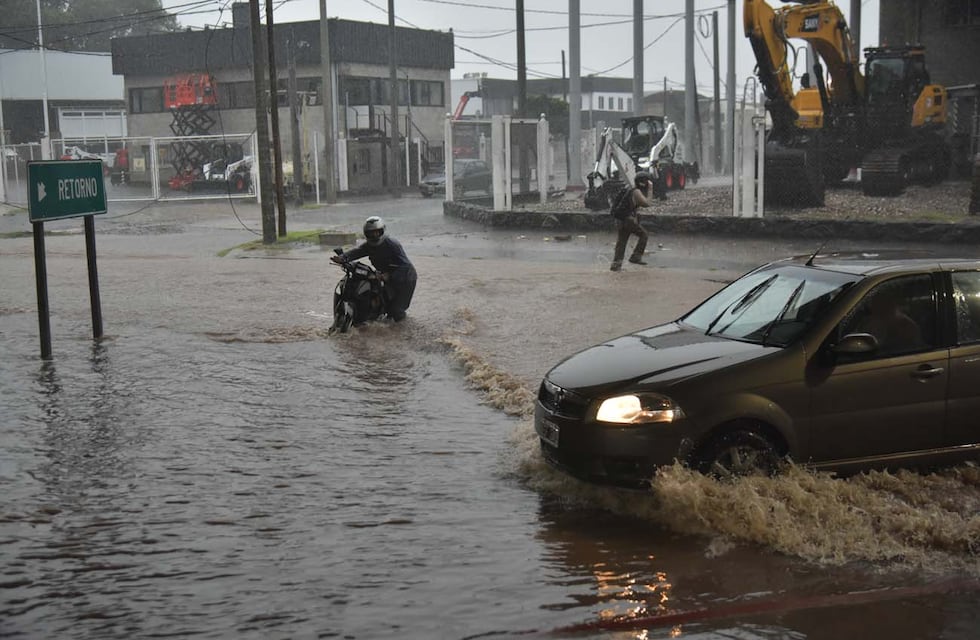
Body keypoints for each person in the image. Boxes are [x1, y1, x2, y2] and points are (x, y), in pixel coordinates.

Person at [331, 216, 417, 322]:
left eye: (377, 232)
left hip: (405, 278)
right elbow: (357, 252)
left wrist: (388, 276)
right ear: (366, 234)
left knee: (396, 311)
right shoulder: (369, 246)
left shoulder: (392, 244)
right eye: (371, 233)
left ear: (382, 231)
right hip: (384, 275)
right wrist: (343, 258)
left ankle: (402, 327)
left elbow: (405, 265)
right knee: (379, 296)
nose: (374, 235)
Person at [610, 171, 656, 272]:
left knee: (621, 242)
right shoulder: (636, 192)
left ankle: (616, 266)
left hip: (620, 219)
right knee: (644, 235)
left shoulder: (628, 188)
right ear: (643, 183)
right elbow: (647, 203)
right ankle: (636, 256)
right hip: (627, 219)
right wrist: (650, 190)